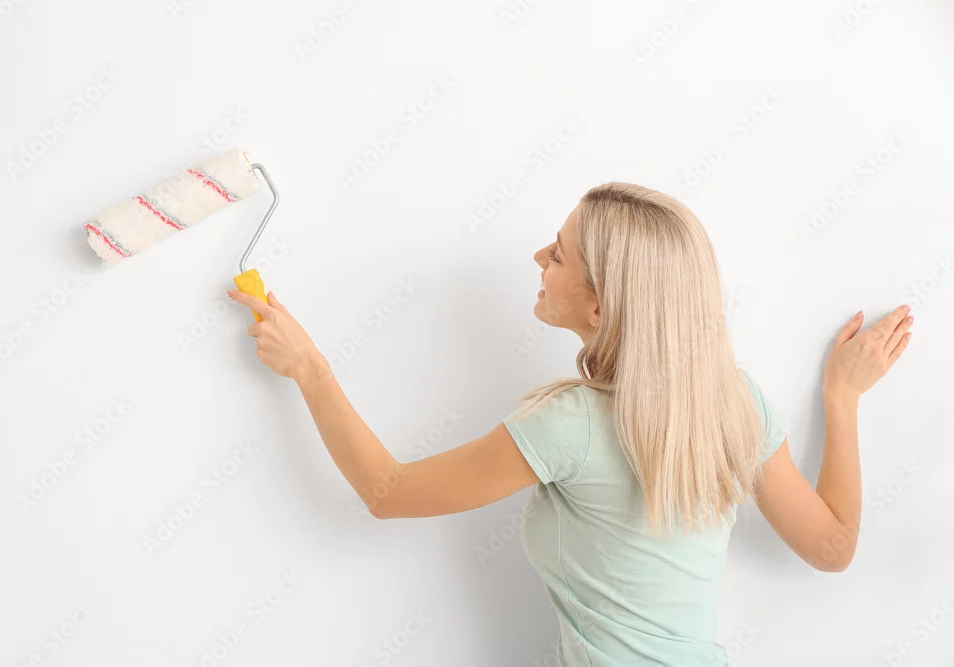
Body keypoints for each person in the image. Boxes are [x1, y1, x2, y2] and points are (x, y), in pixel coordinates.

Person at [226, 182, 914, 666]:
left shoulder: (570, 424)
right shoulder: (734, 401)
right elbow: (833, 548)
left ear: (599, 307)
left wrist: (309, 368)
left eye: (557, 255)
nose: (539, 259)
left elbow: (388, 492)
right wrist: (843, 397)